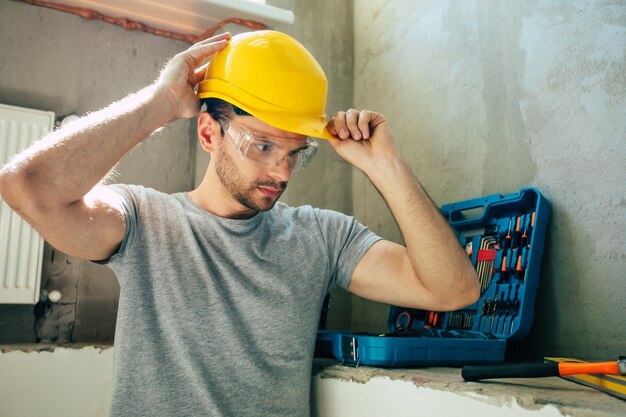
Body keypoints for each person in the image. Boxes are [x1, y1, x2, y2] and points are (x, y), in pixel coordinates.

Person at [0, 31, 479, 416]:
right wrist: (158, 104)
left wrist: (386, 166)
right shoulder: (144, 220)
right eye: (262, 146)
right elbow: (26, 187)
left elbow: (452, 291)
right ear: (210, 133)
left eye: (296, 152)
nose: (281, 172)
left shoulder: (322, 237)